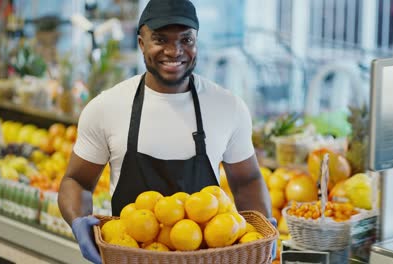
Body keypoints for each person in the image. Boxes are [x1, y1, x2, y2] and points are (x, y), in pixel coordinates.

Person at [58, 0, 273, 263]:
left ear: (196, 42)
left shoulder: (228, 107)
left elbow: (246, 181)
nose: (174, 51)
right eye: (160, 39)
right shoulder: (106, 107)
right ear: (141, 43)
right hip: (130, 257)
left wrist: (262, 232)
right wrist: (79, 223)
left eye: (186, 40)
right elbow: (77, 181)